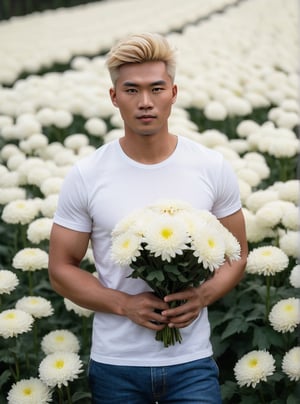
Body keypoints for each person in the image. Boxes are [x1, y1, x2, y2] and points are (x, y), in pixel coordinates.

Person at [48, 32, 248, 403]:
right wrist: (123, 304)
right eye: (131, 90)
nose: (145, 102)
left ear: (173, 92)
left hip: (192, 363)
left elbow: (238, 254)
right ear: (114, 97)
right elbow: (61, 267)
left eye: (156, 89)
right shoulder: (87, 174)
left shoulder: (211, 167)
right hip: (116, 364)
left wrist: (202, 294)